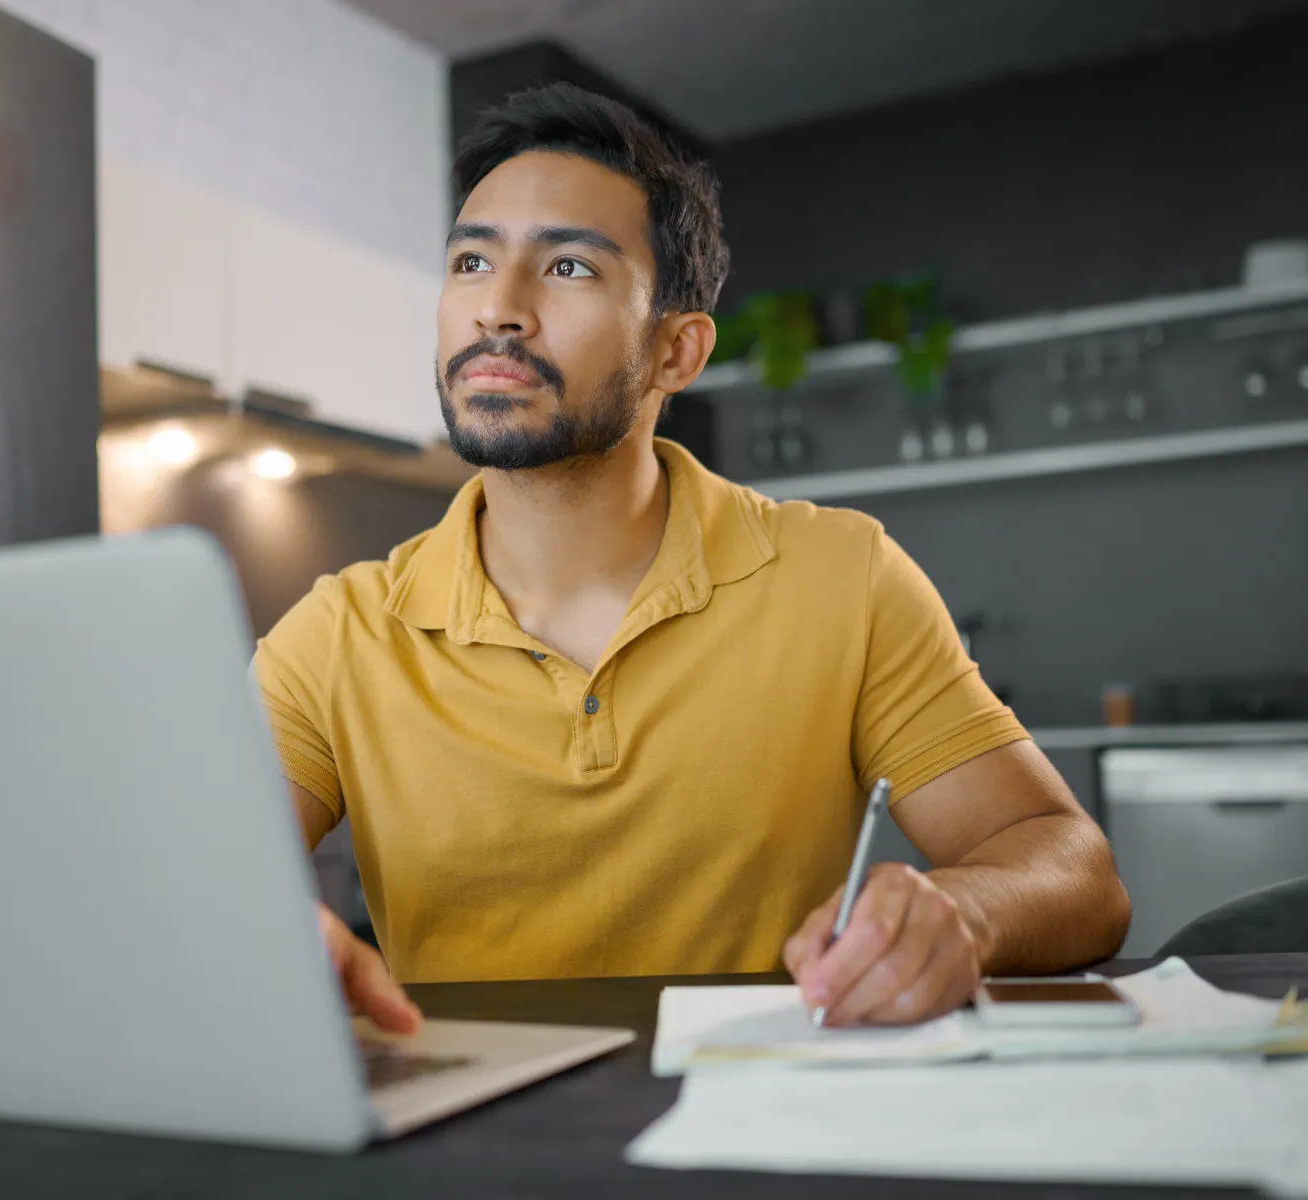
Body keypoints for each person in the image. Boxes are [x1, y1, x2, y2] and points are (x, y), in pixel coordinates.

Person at [253, 84, 1130, 1037]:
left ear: (677, 350)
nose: (497, 311)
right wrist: (265, 934)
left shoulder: (842, 574)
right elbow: (188, 878)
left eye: (570, 269)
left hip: (764, 1131)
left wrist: (964, 911)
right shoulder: (334, 635)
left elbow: (1073, 866)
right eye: (471, 260)